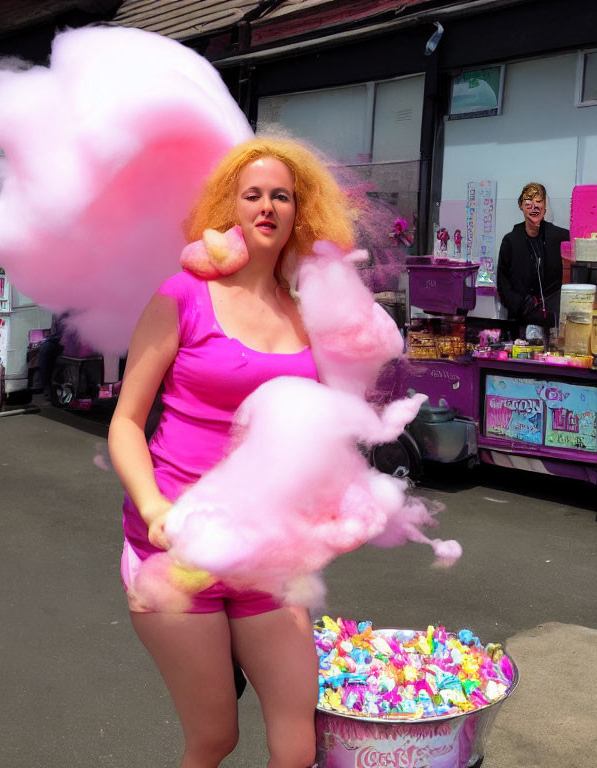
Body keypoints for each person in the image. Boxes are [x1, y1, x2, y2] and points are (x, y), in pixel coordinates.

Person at [108, 137, 355, 768]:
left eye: (282, 196)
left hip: (264, 558)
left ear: (302, 213)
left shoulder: (306, 315)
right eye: (254, 195)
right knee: (215, 738)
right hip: (178, 556)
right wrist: (154, 506)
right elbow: (127, 423)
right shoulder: (182, 296)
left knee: (298, 746)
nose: (269, 205)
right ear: (230, 208)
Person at [497, 182, 570, 327]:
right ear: (521, 205)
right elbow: (503, 283)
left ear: (545, 206)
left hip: (554, 319)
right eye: (528, 202)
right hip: (521, 320)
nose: (534, 207)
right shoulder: (510, 241)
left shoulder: (561, 237)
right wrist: (521, 304)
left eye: (538, 202)